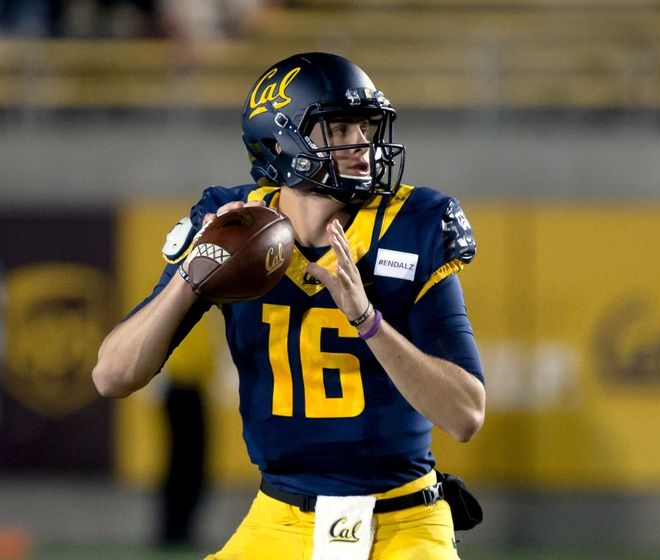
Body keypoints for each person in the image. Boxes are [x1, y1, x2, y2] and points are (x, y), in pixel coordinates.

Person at [92, 52, 486, 560]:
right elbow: (112, 376)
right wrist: (195, 273)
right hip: (278, 517)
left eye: (365, 127)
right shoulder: (233, 221)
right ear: (281, 142)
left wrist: (367, 321)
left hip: (403, 519)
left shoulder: (413, 223)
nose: (362, 145)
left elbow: (465, 415)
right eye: (338, 128)